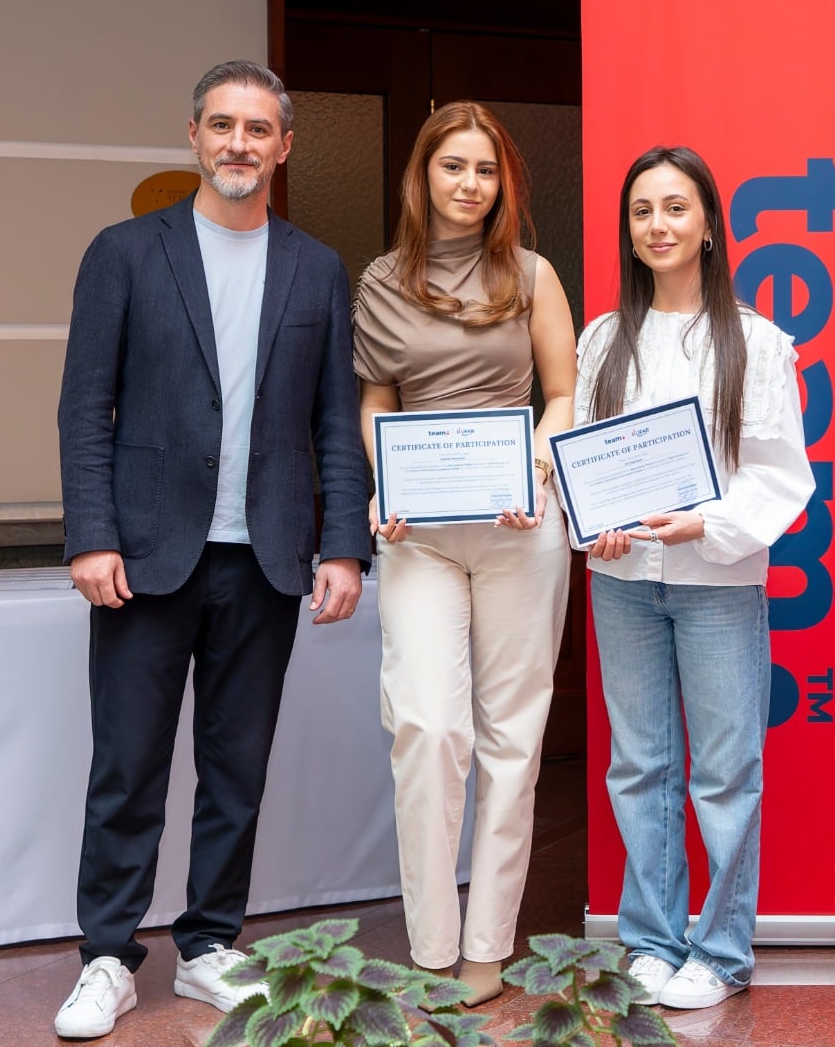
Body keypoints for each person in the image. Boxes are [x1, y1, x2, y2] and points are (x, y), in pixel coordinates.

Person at [53, 60, 372, 1038]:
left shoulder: (317, 268)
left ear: (285, 146)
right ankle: (107, 956)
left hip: (266, 557)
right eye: (223, 125)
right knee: (128, 768)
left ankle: (206, 948)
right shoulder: (124, 253)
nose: (240, 143)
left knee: (237, 770)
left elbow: (334, 420)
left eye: (259, 129)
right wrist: (92, 535)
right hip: (148, 556)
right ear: (193, 135)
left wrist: (344, 544)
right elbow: (85, 408)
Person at [577, 146, 815, 1010]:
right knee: (639, 764)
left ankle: (719, 951)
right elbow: (586, 461)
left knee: (724, 771)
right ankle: (650, 942)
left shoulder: (755, 341)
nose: (658, 226)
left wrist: (705, 524)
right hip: (622, 580)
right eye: (642, 211)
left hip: (717, 581)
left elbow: (781, 473)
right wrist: (593, 522)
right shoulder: (601, 339)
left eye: (676, 208)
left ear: (709, 224)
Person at [352, 101, 576, 1005]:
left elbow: (562, 396)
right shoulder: (381, 281)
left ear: (502, 184)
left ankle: (487, 947)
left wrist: (533, 465)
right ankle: (431, 946)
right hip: (421, 534)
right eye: (454, 166)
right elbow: (377, 402)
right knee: (427, 728)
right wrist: (385, 480)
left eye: (486, 170)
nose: (470, 184)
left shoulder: (532, 274)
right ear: (424, 175)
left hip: (520, 526)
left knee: (512, 739)